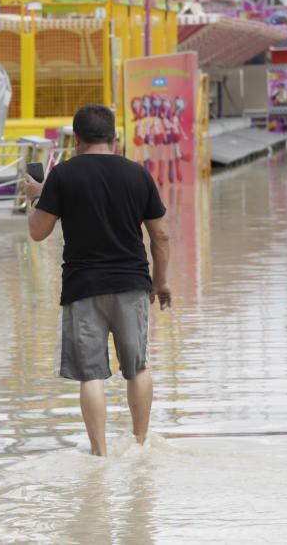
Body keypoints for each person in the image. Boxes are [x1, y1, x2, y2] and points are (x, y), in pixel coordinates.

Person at [24, 104, 171, 456]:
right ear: (114, 138)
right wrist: (160, 282)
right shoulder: (138, 175)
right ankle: (139, 444)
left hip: (83, 286)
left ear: (76, 139)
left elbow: (38, 233)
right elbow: (161, 237)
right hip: (132, 284)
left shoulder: (63, 176)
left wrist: (37, 199)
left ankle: (100, 454)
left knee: (91, 375)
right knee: (137, 367)